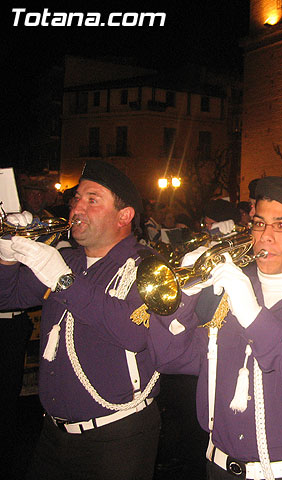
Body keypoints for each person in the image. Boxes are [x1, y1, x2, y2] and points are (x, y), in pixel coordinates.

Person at [148, 176, 282, 480]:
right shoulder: (227, 294)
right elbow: (170, 357)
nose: (265, 237)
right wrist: (184, 294)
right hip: (216, 468)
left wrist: (254, 315)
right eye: (259, 224)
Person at [0, 159, 168, 480]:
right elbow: (8, 298)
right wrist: (7, 253)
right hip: (53, 434)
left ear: (124, 215)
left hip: (117, 438)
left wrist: (64, 281)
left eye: (93, 200)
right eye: (77, 198)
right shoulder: (66, 258)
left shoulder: (147, 265)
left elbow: (135, 333)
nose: (77, 207)